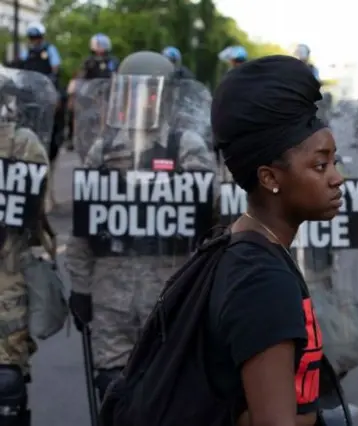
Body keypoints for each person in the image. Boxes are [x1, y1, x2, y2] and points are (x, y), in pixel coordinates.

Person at [65, 50, 215, 401]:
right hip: (110, 296)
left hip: (171, 294)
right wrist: (81, 288)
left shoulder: (185, 147)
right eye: (133, 91)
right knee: (114, 391)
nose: (141, 99)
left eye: (149, 92)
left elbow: (211, 214)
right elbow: (83, 229)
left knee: (168, 393)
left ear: (165, 97)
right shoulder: (103, 151)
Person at [207, 54, 346, 425]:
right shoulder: (261, 278)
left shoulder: (250, 244)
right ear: (270, 178)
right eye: (320, 165)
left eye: (335, 162)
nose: (337, 178)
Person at [0, 72, 57, 426]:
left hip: (9, 273)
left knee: (7, 381)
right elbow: (41, 209)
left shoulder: (23, 143)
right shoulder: (25, 143)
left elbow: (36, 207)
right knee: (6, 373)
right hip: (10, 278)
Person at [18, 22, 61, 87]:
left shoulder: (50, 48)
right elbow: (21, 63)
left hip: (45, 84)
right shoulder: (27, 50)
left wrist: (53, 76)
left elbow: (55, 66)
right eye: (31, 38)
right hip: (29, 84)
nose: (34, 40)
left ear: (41, 37)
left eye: (36, 37)